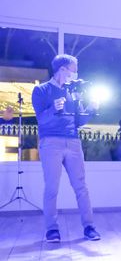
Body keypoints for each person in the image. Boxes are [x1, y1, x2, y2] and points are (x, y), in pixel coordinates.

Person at [31, 54, 101, 243]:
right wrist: (53, 108)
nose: (76, 74)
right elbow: (41, 120)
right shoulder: (41, 90)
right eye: (74, 69)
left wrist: (92, 109)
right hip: (50, 143)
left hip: (73, 142)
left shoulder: (73, 93)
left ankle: (89, 227)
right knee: (52, 188)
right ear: (62, 70)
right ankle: (52, 230)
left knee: (81, 187)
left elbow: (78, 121)